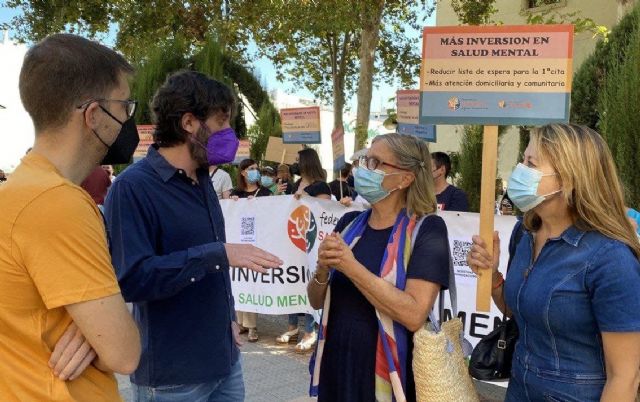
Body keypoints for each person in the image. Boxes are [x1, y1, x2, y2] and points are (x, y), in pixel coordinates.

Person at [104, 71, 283, 402]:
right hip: (175, 378)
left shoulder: (203, 180)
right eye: (222, 121)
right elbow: (132, 279)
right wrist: (217, 254)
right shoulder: (132, 189)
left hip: (224, 362)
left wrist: (227, 319)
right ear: (189, 122)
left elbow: (214, 273)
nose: (229, 134)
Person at [0, 33, 140, 401]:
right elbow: (124, 353)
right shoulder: (57, 201)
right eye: (126, 105)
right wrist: (104, 327)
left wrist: (90, 325)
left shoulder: (16, 191)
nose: (128, 118)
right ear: (94, 114)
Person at [467, 124, 640, 402]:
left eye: (531, 163)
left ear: (569, 178)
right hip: (520, 390)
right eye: (523, 159)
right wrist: (493, 276)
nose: (519, 169)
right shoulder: (524, 233)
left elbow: (625, 377)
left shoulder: (610, 258)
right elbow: (520, 311)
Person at [307, 133, 450, 401]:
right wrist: (323, 270)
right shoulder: (349, 225)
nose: (364, 169)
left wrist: (350, 267)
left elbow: (413, 313)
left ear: (405, 178)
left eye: (375, 163)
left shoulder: (427, 229)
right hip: (336, 366)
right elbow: (316, 301)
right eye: (364, 160)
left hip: (390, 377)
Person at [278, 148, 331, 352]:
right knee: (293, 282)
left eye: (298, 159)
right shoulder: (294, 184)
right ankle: (292, 327)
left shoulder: (321, 186)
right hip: (293, 243)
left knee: (309, 282)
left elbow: (324, 211)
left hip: (310, 242)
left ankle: (310, 331)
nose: (295, 163)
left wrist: (306, 198)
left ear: (307, 162)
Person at [229, 158, 274, 342]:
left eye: (257, 169)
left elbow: (272, 214)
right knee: (239, 283)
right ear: (243, 172)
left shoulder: (265, 193)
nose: (256, 171)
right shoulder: (235, 193)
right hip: (239, 244)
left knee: (252, 282)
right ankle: (240, 322)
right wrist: (233, 203)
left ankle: (252, 326)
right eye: (251, 169)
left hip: (257, 242)